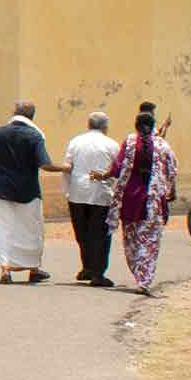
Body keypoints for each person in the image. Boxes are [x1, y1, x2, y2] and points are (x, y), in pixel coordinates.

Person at [0, 100, 70, 283]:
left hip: (3, 190)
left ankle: (6, 270)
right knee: (32, 231)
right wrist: (65, 168)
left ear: (14, 112)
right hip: (28, 191)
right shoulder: (35, 135)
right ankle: (34, 268)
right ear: (32, 116)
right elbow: (45, 164)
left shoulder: (0, 132)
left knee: (5, 229)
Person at [98, 107, 178, 296]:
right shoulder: (162, 145)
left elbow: (117, 168)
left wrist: (104, 175)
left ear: (136, 126)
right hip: (153, 200)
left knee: (132, 239)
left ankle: (137, 271)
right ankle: (144, 279)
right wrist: (171, 189)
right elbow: (172, 169)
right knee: (150, 241)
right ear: (153, 126)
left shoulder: (129, 142)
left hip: (130, 197)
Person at [64, 111, 121, 288]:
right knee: (101, 235)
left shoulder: (75, 142)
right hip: (100, 194)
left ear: (88, 125)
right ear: (105, 127)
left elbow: (68, 167)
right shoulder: (111, 145)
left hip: (77, 193)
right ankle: (97, 273)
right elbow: (117, 168)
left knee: (82, 233)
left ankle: (87, 266)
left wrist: (67, 190)